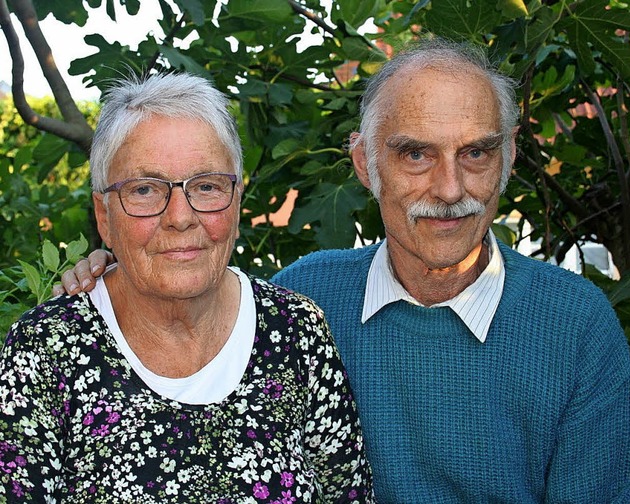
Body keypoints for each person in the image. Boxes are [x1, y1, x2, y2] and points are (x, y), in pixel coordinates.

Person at [55, 38, 630, 503]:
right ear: (364, 163)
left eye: (476, 153)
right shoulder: (303, 305)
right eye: (415, 154)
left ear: (509, 156)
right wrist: (116, 270)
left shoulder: (576, 329)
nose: (450, 188)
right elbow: (188, 317)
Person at [0, 72, 375, 503]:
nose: (180, 217)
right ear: (104, 216)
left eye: (206, 186)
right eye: (144, 189)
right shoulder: (47, 348)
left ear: (236, 203)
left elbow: (348, 494)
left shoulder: (295, 329)